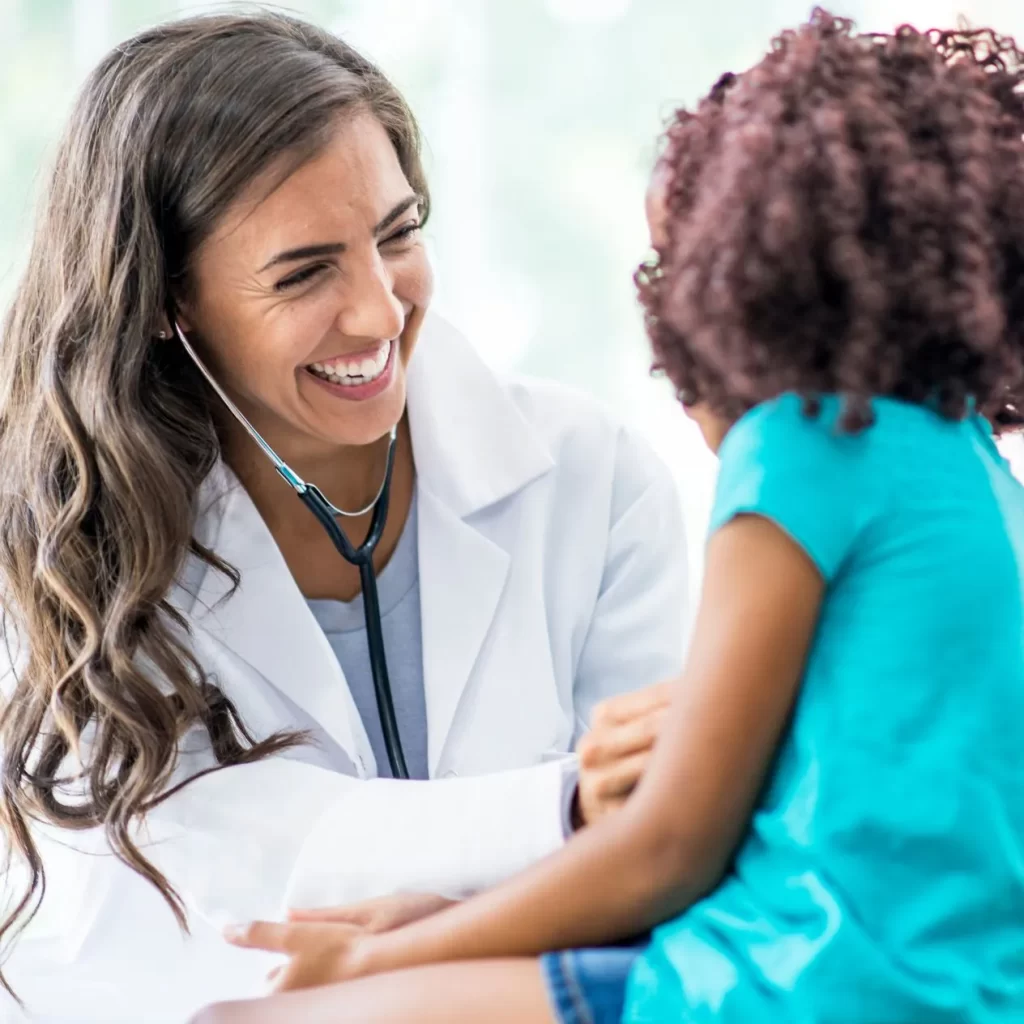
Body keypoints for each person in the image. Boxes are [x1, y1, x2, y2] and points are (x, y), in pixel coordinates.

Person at [207, 10, 1024, 1023]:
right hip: (923, 982)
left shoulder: (806, 451)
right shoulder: (967, 470)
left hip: (789, 984)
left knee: (254, 1019)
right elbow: (811, 826)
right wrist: (433, 918)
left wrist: (385, 955)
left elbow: (670, 843)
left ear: (746, 278)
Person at [0, 11, 689, 1023]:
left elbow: (662, 852)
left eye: (397, 234)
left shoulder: (591, 481)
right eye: (303, 272)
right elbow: (182, 872)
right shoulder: (65, 535)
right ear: (165, 303)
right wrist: (557, 810)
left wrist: (430, 935)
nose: (378, 311)